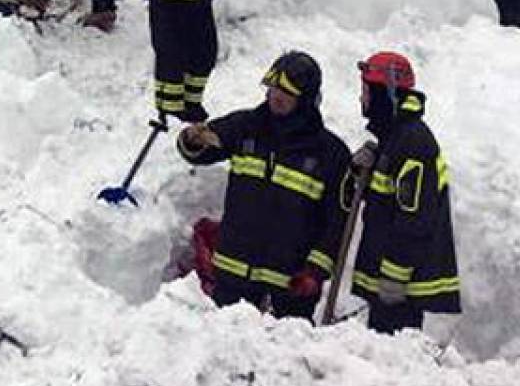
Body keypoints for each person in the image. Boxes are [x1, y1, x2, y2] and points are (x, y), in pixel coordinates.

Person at [177, 51, 352, 320]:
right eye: (272, 88)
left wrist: (315, 272)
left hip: (290, 287)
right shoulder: (245, 127)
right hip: (233, 275)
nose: (276, 97)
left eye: (287, 92)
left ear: (306, 99)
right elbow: (200, 149)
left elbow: (336, 223)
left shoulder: (331, 154)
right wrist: (192, 139)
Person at [350, 51, 461, 334]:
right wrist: (361, 171)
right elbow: (383, 202)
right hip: (390, 279)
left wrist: (394, 275)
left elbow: (414, 216)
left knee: (391, 356)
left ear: (384, 93)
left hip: (400, 286)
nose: (361, 99)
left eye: (366, 91)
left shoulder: (413, 142)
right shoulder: (394, 138)